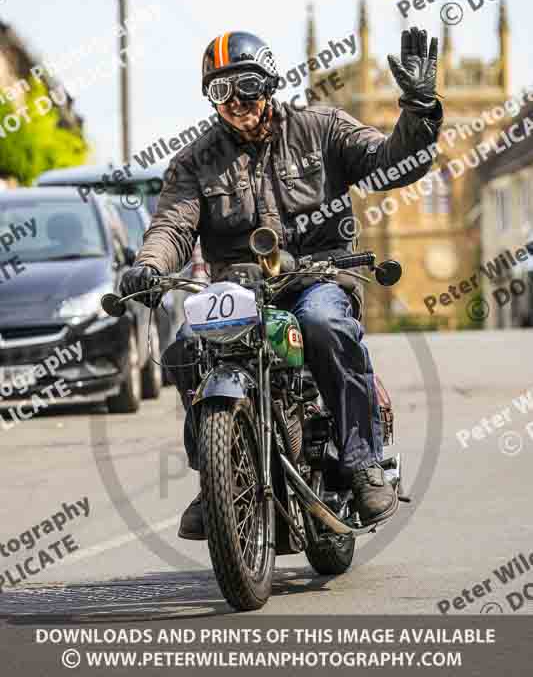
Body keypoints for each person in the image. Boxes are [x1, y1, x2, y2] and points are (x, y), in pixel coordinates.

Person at [121, 28, 443, 540]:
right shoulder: (193, 162)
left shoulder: (321, 128)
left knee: (322, 322)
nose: (234, 103)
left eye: (245, 85)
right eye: (219, 91)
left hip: (318, 276)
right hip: (239, 291)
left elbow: (390, 164)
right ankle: (218, 474)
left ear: (269, 81)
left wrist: (420, 109)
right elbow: (172, 226)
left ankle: (361, 463)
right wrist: (149, 265)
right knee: (185, 348)